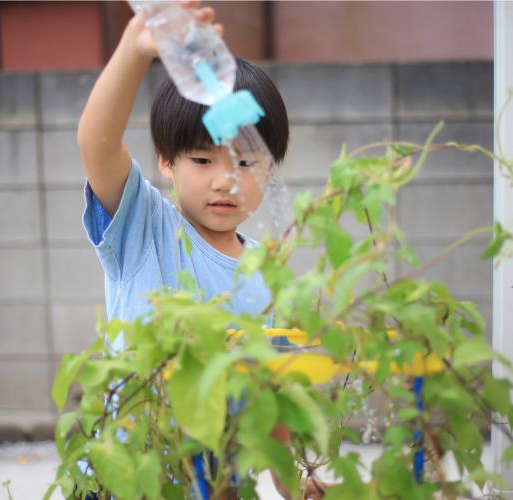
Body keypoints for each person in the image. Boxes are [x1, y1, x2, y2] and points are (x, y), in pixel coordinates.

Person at [78, 1, 330, 497]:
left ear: (272, 170)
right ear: (167, 162)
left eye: (247, 161)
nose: (225, 180)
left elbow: (268, 390)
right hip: (126, 480)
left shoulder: (267, 272)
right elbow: (96, 144)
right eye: (202, 158)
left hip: (217, 486)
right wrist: (134, 50)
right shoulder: (144, 226)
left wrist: (289, 475)